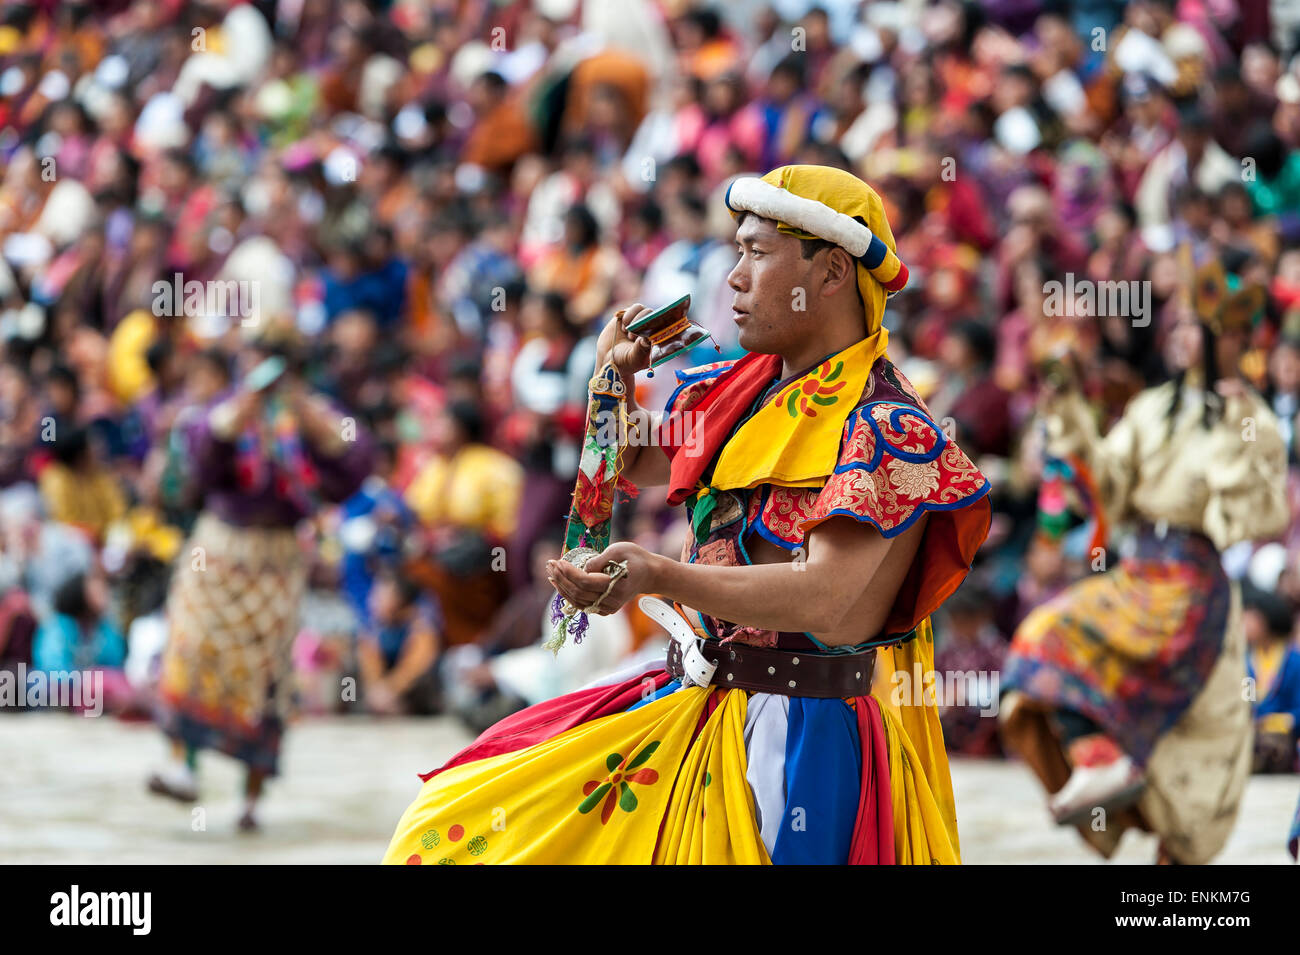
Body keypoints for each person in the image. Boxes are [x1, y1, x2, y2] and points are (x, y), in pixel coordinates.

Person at [382, 165, 991, 865]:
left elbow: (823, 596)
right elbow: (628, 462)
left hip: (799, 744)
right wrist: (609, 384)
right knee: (450, 826)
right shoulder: (739, 392)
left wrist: (656, 575)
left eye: (756, 253)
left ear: (828, 272)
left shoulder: (890, 427)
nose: (732, 277)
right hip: (695, 706)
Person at [999, 288, 1290, 864]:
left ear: (1226, 338)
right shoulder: (1153, 406)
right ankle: (1100, 759)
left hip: (1194, 594)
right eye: (1178, 324)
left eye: (1196, 325)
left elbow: (1259, 513)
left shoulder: (1250, 416)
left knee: (1190, 778)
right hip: (1138, 575)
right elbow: (1107, 480)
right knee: (1045, 637)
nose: (1181, 335)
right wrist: (1070, 406)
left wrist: (1235, 422)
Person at [147, 345, 375, 832]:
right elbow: (201, 465)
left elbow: (354, 468)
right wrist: (244, 409)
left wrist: (309, 418)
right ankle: (182, 766)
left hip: (276, 563)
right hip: (219, 552)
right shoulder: (220, 414)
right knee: (190, 653)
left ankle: (249, 799)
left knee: (265, 677)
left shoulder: (316, 418)